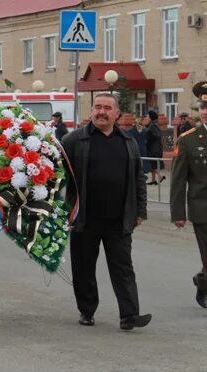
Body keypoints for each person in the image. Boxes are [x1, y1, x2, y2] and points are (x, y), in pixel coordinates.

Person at [62, 93, 151, 330]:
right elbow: (58, 178)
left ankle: (129, 315)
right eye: (97, 107)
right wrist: (64, 209)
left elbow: (138, 178)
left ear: (117, 114)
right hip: (85, 218)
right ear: (91, 111)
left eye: (107, 108)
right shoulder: (74, 140)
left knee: (123, 269)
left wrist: (140, 210)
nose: (101, 112)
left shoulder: (128, 141)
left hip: (119, 219)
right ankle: (87, 311)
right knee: (83, 268)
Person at [170, 81, 207, 309]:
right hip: (202, 209)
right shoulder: (188, 139)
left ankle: (202, 281)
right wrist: (178, 213)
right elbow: (177, 179)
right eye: (202, 107)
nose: (205, 111)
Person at [143, 110, 165, 185]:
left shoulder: (152, 126)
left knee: (153, 164)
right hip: (155, 148)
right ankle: (153, 180)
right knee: (152, 164)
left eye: (148, 116)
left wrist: (144, 132)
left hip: (153, 149)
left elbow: (152, 136)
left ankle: (160, 176)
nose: (147, 117)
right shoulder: (154, 124)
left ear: (150, 117)